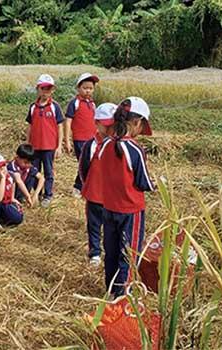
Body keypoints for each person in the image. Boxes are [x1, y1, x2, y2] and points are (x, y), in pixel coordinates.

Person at [97, 97, 155, 296]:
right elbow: (143, 182)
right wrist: (156, 185)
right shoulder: (135, 149)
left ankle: (111, 291)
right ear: (137, 122)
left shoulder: (105, 145)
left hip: (109, 207)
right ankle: (123, 298)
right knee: (129, 255)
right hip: (131, 210)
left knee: (111, 252)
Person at [78, 103, 117, 266]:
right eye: (106, 125)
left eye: (112, 125)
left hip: (113, 195)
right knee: (94, 224)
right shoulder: (91, 144)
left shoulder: (119, 144)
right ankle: (95, 252)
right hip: (94, 193)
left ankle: (112, 251)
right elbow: (83, 168)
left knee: (111, 226)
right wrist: (87, 185)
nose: (109, 129)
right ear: (97, 123)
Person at [26, 74, 64, 207]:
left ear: (52, 90)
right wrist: (27, 143)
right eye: (43, 88)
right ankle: (38, 193)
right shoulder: (33, 107)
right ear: (38, 89)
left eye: (49, 89)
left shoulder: (55, 107)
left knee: (48, 171)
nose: (46, 91)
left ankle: (48, 195)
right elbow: (30, 126)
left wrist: (59, 146)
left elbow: (60, 126)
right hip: (35, 146)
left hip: (49, 146)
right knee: (34, 171)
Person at [65, 73, 100, 198]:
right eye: (85, 88)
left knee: (92, 163)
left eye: (90, 88)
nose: (88, 91)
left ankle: (86, 186)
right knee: (84, 163)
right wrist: (67, 140)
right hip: (79, 139)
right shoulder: (75, 103)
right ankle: (78, 186)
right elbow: (68, 121)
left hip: (92, 139)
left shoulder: (92, 104)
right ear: (78, 88)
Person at [0, 153, 24, 226]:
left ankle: (4, 219)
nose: (2, 168)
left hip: (7, 202)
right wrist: (2, 179)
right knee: (15, 217)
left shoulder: (9, 175)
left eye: (3, 165)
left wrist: (12, 198)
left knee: (19, 216)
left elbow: (13, 183)